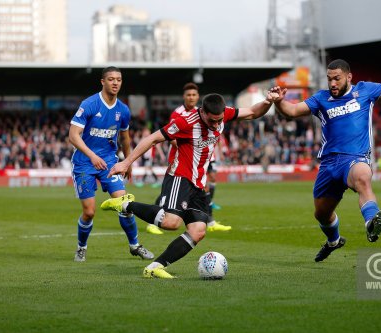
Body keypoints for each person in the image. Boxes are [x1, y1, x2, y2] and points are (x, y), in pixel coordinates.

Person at [270, 59, 381, 262]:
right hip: (329, 165)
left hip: (355, 158)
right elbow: (292, 111)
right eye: (329, 79)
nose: (332, 84)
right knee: (322, 214)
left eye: (337, 79)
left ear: (349, 77)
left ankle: (371, 221)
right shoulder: (321, 98)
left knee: (362, 178)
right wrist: (278, 101)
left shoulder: (366, 90)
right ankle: (334, 241)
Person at [100, 91, 279, 278]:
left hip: (198, 182)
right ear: (202, 112)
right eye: (212, 121)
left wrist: (268, 101)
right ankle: (124, 204)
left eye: (219, 121)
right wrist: (126, 162)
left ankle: (154, 267)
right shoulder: (186, 122)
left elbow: (252, 112)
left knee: (198, 231)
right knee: (171, 222)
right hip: (180, 177)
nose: (217, 125)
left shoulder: (222, 113)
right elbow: (152, 139)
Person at [69, 66, 154, 262]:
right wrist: (91, 156)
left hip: (109, 162)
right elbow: (73, 136)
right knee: (89, 212)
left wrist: (128, 161)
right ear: (103, 82)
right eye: (111, 79)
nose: (115, 83)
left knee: (125, 204)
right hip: (84, 163)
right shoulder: (89, 104)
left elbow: (125, 137)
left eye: (119, 79)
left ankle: (134, 245)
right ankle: (81, 247)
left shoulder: (123, 110)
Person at [146, 82, 231, 236]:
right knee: (173, 193)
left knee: (208, 182)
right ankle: (155, 220)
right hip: (184, 159)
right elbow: (171, 137)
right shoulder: (178, 114)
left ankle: (209, 220)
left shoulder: (206, 112)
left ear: (198, 96)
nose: (191, 97)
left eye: (194, 95)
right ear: (184, 97)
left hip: (203, 158)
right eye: (188, 95)